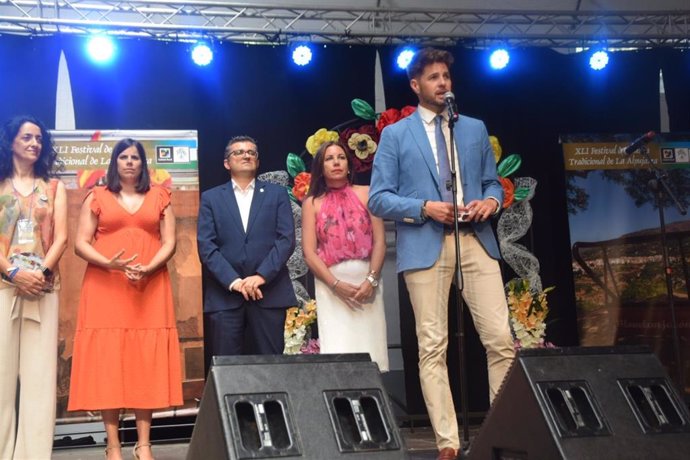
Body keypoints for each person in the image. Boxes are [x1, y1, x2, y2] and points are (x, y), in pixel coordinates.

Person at [369, 47, 515, 460]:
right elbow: (378, 199)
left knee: (501, 339)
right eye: (433, 77)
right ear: (416, 85)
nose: (442, 83)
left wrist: (491, 201)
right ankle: (448, 442)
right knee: (432, 346)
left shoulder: (473, 128)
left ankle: (500, 432)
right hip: (426, 242)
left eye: (446, 76)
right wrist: (423, 207)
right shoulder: (396, 135)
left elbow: (491, 182)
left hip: (476, 239)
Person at [68, 138, 183, 460]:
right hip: (106, 286)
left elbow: (170, 242)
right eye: (124, 157)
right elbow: (80, 243)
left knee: (143, 362)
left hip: (150, 286)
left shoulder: (160, 195)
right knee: (108, 362)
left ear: (143, 164)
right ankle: (113, 445)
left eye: (135, 157)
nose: (130, 162)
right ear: (115, 163)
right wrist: (109, 263)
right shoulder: (98, 195)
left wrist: (149, 267)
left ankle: (143, 444)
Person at [0, 115, 67, 460]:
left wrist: (38, 274)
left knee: (40, 379)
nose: (34, 143)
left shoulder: (53, 187)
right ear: (11, 141)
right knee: (1, 375)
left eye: (39, 139)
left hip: (42, 288)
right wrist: (12, 273)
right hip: (3, 288)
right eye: (27, 137)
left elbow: (62, 238)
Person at [197, 135, 296, 361]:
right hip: (225, 294)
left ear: (258, 162)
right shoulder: (211, 198)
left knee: (272, 365)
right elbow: (206, 245)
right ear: (226, 163)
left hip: (268, 292)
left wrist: (260, 276)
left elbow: (286, 239)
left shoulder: (277, 194)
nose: (246, 155)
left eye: (252, 152)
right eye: (239, 152)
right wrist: (235, 282)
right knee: (227, 368)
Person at [301, 141, 388, 371]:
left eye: (341, 157)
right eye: (329, 158)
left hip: (367, 282)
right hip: (331, 286)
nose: (336, 162)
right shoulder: (311, 203)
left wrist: (371, 280)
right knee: (339, 351)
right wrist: (335, 284)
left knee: (371, 352)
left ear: (349, 165)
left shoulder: (368, 193)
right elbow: (309, 252)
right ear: (320, 167)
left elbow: (380, 241)